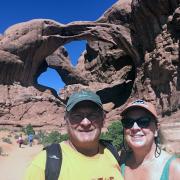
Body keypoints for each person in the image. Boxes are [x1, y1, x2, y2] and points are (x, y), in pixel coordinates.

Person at [25, 90, 123, 180]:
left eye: (93, 115)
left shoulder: (112, 153)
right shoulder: (43, 164)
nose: (85, 123)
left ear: (103, 120)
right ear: (66, 120)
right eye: (77, 116)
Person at [120, 99, 180, 180]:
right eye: (128, 122)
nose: (135, 128)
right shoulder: (120, 162)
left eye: (143, 121)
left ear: (156, 129)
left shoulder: (175, 169)